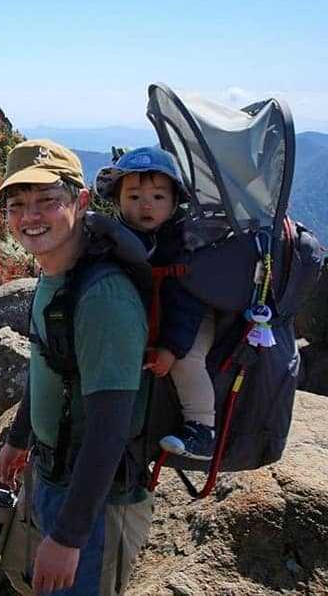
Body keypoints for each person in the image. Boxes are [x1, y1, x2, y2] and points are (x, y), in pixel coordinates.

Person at [0, 140, 153, 596]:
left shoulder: (104, 296)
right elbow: (49, 361)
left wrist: (69, 536)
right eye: (17, 205)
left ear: (81, 202)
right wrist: (19, 436)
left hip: (96, 502)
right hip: (56, 476)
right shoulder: (55, 272)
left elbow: (111, 427)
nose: (30, 216)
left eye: (47, 200)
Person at [94, 146, 216, 460]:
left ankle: (202, 428)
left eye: (158, 197)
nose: (146, 205)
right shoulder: (114, 237)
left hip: (191, 317)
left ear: (175, 202)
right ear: (117, 201)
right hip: (148, 314)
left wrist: (171, 348)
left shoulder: (183, 242)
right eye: (134, 197)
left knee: (188, 361)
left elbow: (187, 303)